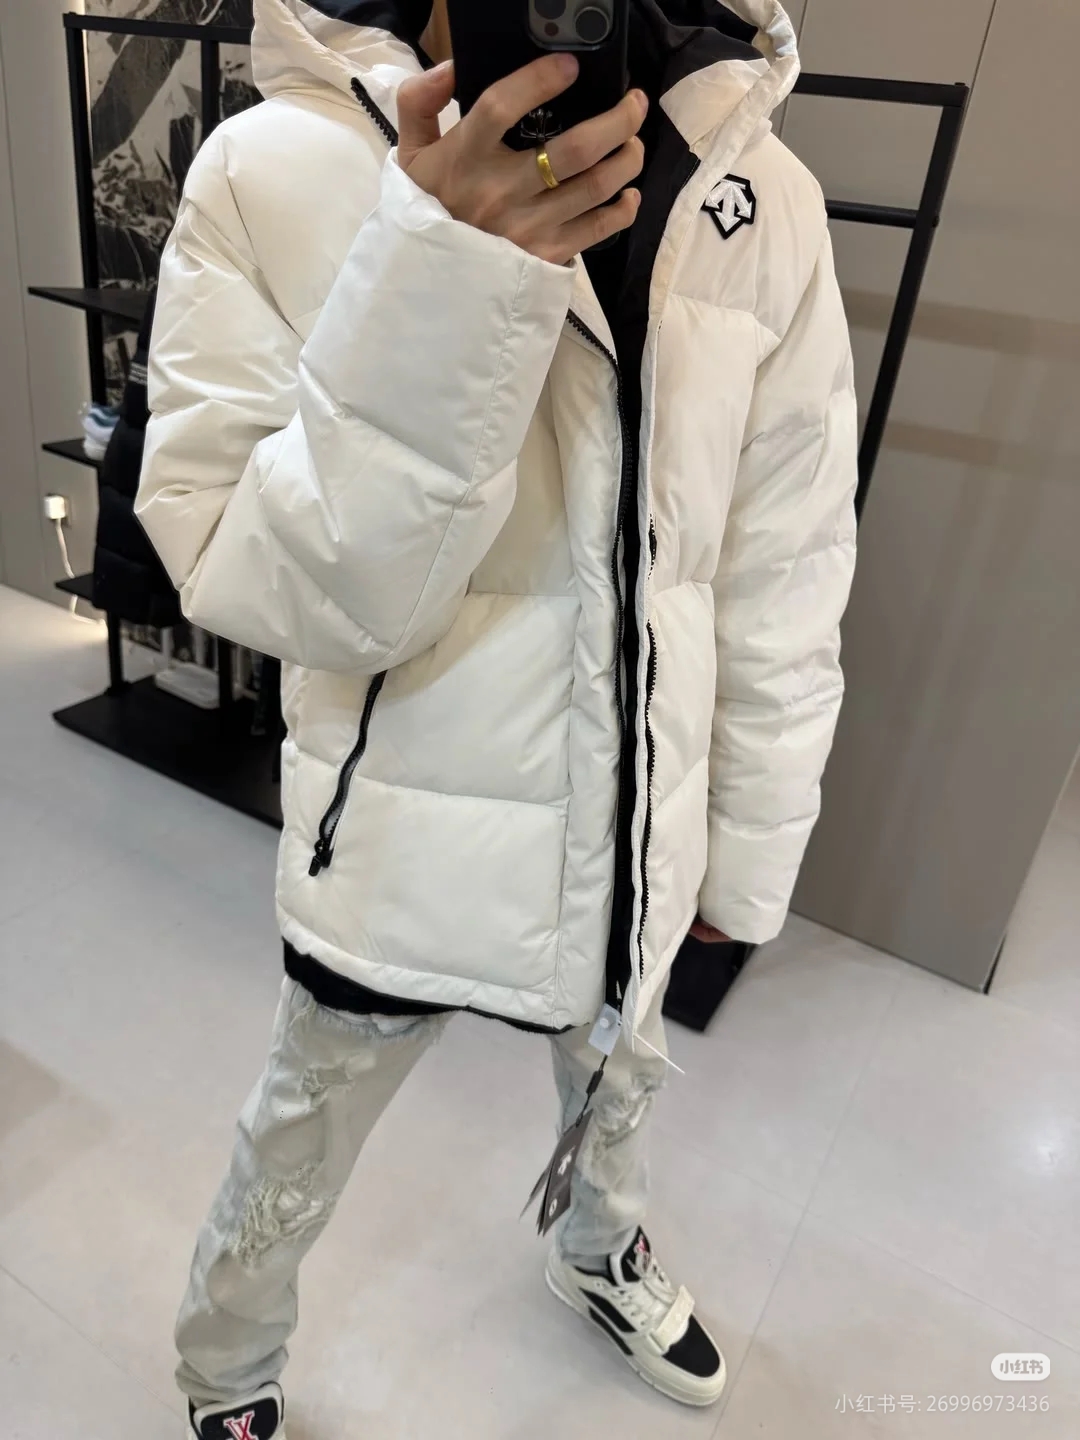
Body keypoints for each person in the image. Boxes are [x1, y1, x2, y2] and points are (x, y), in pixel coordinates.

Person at [136, 1, 857, 1435]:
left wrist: (746, 848)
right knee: (304, 1126)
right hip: (401, 813)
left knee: (621, 1082)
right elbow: (244, 567)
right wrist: (445, 266)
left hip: (642, 806)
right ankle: (228, 1361)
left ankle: (596, 1250)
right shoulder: (272, 164)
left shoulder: (761, 189)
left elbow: (783, 558)